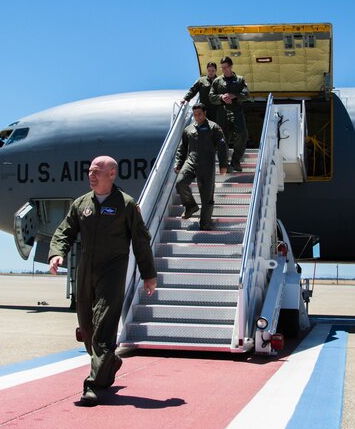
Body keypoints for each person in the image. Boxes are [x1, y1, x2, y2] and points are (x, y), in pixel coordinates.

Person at [48, 156, 157, 406]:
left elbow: (141, 241)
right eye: (90, 171)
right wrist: (57, 253)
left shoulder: (126, 205)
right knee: (87, 330)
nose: (91, 175)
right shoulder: (81, 204)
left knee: (103, 329)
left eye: (97, 171)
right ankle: (111, 363)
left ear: (112, 174)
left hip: (113, 269)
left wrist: (148, 274)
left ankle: (93, 385)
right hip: (86, 269)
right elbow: (65, 230)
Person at [174, 103, 228, 230]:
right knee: (180, 182)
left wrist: (223, 164)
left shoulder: (214, 127)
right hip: (191, 161)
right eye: (195, 115)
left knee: (207, 196)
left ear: (205, 114)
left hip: (206, 164)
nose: (197, 117)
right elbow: (182, 148)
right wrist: (178, 163)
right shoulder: (188, 129)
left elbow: (222, 146)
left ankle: (205, 223)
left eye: (199, 114)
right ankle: (190, 206)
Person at [209, 56, 250, 171]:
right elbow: (211, 97)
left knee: (242, 135)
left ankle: (235, 161)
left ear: (231, 66)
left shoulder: (240, 80)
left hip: (237, 112)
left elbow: (246, 94)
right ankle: (224, 163)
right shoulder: (217, 81)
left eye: (226, 67)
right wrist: (221, 97)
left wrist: (235, 95)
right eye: (222, 68)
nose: (224, 70)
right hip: (222, 113)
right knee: (222, 139)